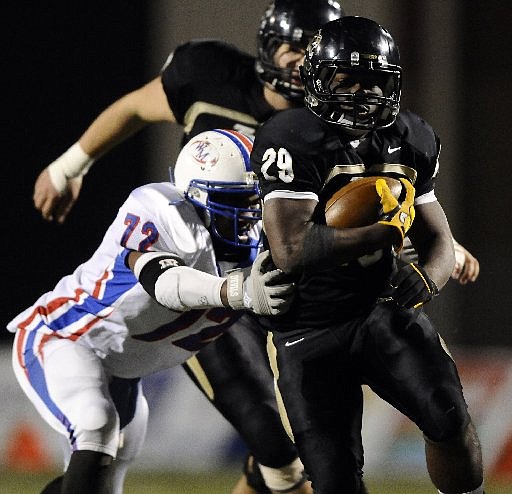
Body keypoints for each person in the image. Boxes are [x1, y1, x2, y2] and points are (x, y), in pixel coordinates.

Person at [30, 2, 347, 493]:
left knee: (289, 455)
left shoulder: (335, 127)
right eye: (297, 48)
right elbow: (136, 107)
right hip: (203, 278)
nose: (306, 63)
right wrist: (70, 165)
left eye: (319, 52)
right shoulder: (211, 76)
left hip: (275, 273)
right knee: (274, 444)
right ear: (270, 47)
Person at [250, 16, 484, 494]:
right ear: (318, 81)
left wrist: (430, 278)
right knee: (335, 480)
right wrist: (381, 234)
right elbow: (292, 249)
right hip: (306, 327)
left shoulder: (413, 137)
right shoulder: (290, 137)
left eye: (373, 81)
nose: (362, 93)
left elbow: (439, 237)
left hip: (381, 310)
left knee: (450, 419)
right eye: (347, 80)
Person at [8, 129, 301, 494]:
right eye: (236, 206)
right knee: (96, 426)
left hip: (125, 371)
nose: (249, 221)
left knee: (100, 484)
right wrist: (236, 291)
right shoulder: (161, 210)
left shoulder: (267, 237)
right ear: (197, 199)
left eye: (255, 204)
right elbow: (164, 283)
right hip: (65, 338)